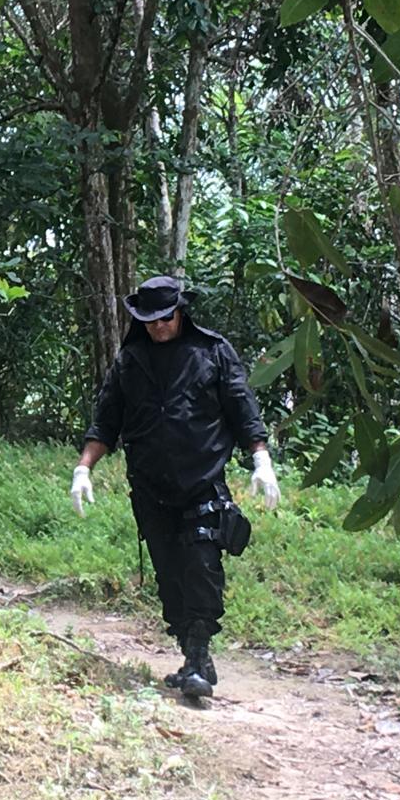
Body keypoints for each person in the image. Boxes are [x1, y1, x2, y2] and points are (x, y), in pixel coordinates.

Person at [71, 275, 280, 700]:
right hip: (151, 488)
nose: (158, 326)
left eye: (165, 318)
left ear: (180, 312)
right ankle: (191, 656)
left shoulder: (212, 351)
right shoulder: (130, 361)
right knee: (169, 576)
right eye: (150, 320)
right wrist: (83, 468)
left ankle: (199, 659)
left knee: (201, 567)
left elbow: (242, 408)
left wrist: (261, 459)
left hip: (202, 482)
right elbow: (106, 421)